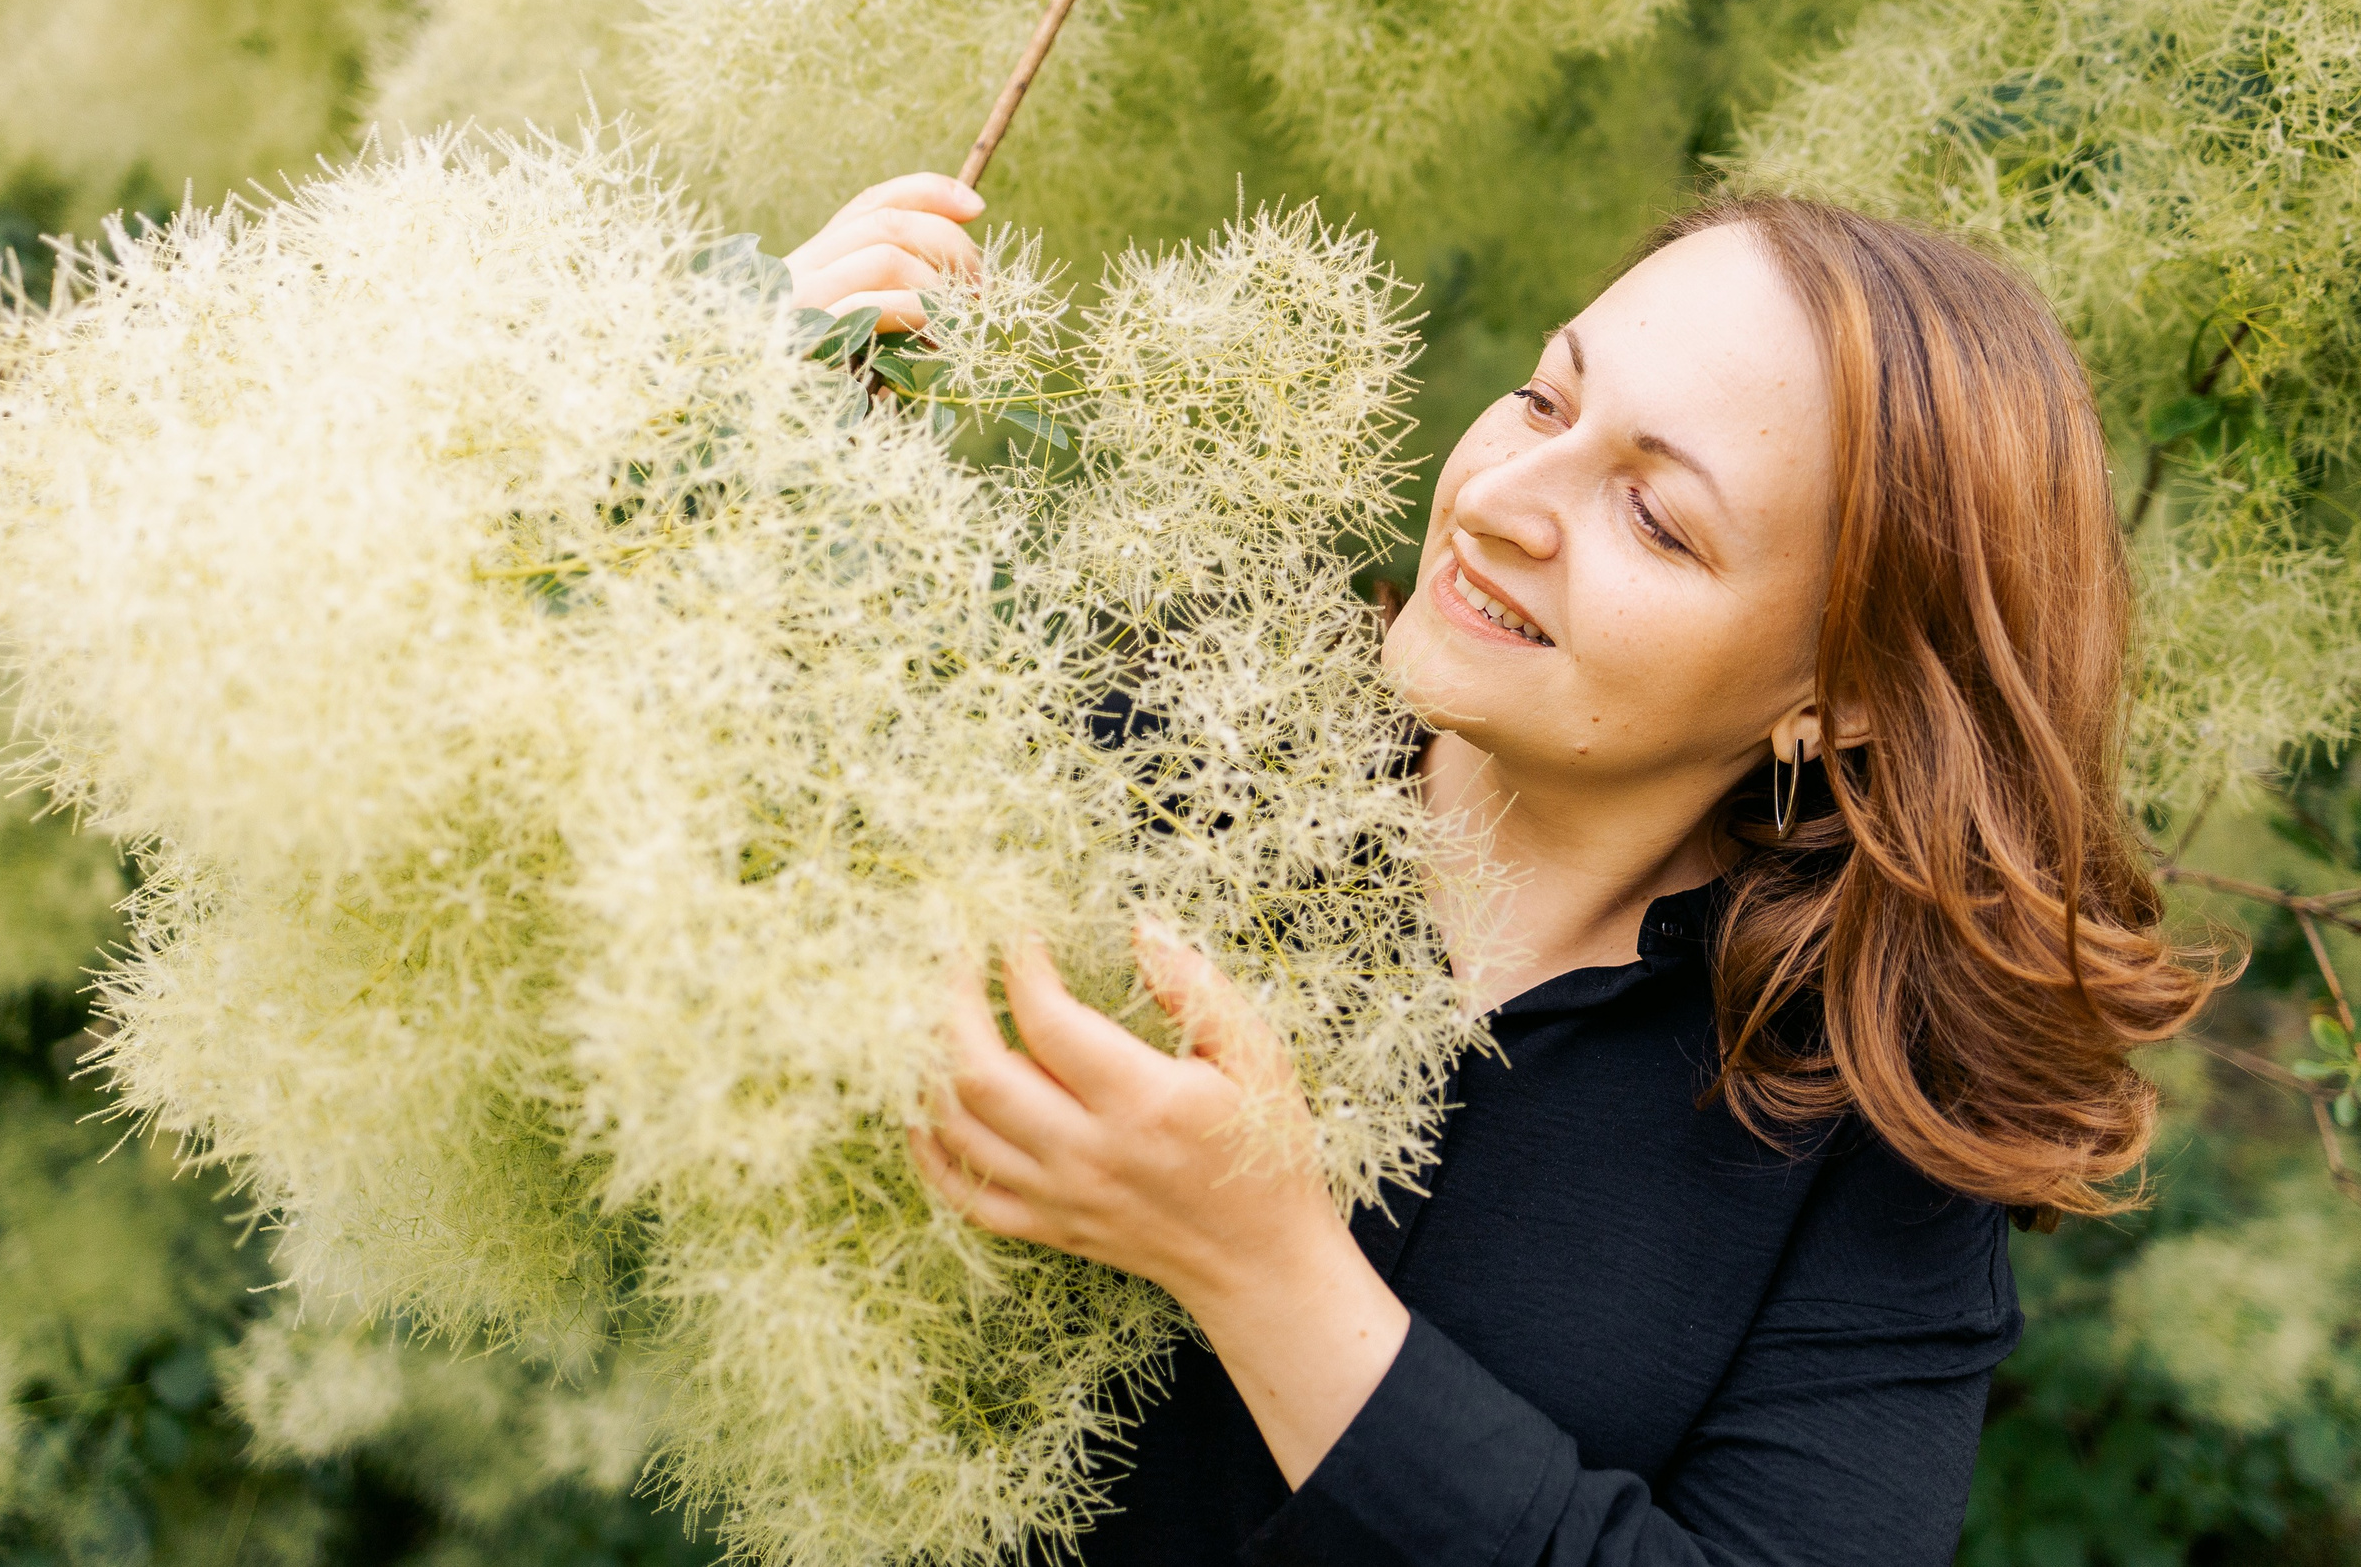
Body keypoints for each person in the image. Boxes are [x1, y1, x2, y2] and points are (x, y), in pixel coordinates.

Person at [788, 173, 2218, 1566]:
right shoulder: (1156, 720)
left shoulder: (1865, 1130)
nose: (1499, 501)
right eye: (1545, 398)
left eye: (1657, 518)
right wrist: (743, 434)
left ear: (1839, 693)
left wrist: (1260, 1266)